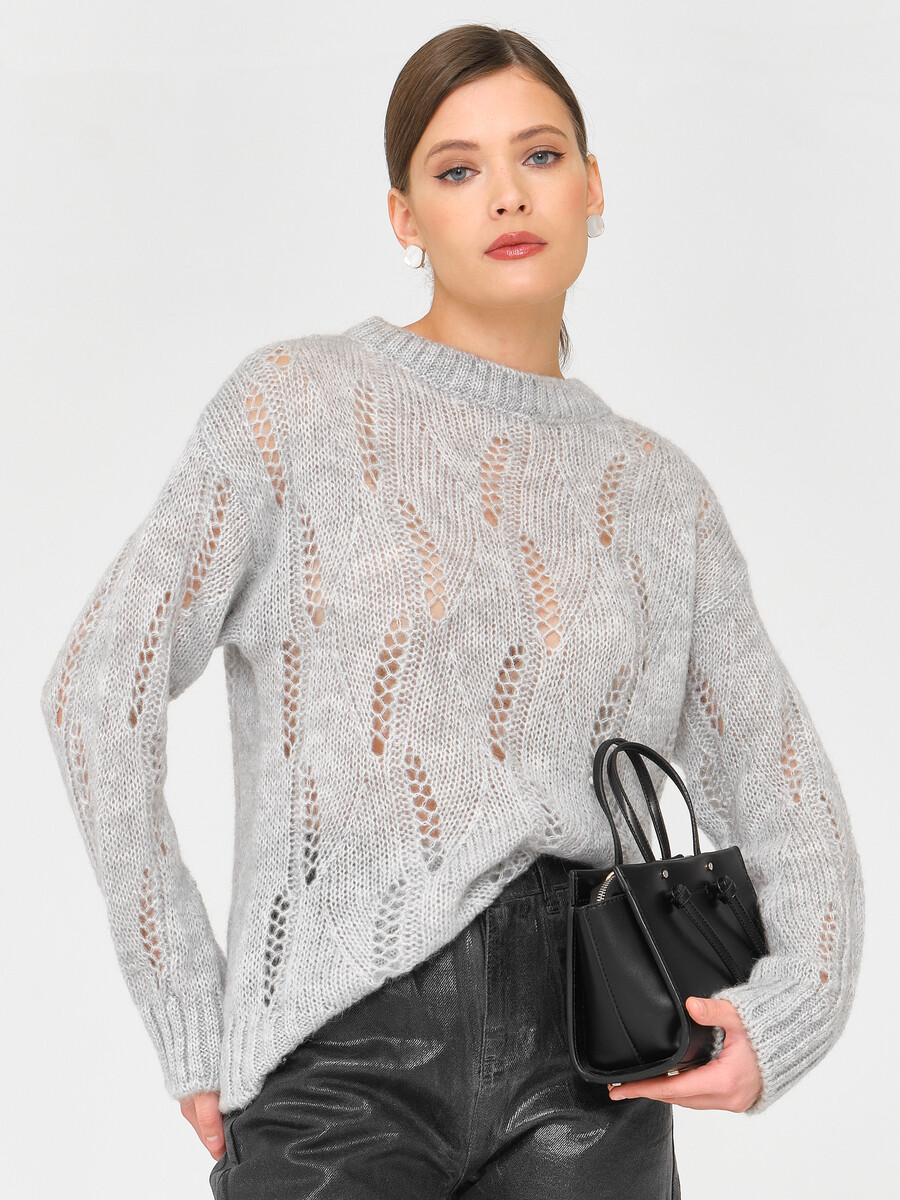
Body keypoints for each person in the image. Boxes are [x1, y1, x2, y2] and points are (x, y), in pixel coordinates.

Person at [40, 23, 864, 1200]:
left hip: (596, 1066)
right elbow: (95, 691)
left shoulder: (661, 495)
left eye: (540, 155)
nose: (507, 194)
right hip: (335, 1057)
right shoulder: (294, 408)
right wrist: (188, 1009)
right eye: (458, 168)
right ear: (405, 217)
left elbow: (784, 787)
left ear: (592, 187)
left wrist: (790, 1014)